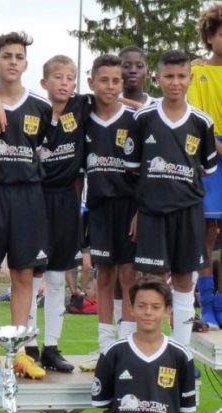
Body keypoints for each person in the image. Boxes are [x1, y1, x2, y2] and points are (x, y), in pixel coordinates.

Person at [125, 50, 217, 348]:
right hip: (152, 214)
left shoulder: (202, 122)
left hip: (188, 213)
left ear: (190, 78)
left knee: (184, 281)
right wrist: (141, 208)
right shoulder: (143, 118)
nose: (175, 82)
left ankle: (181, 352)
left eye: (181, 76)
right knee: (150, 283)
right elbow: (134, 169)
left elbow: (207, 169)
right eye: (169, 76)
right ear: (158, 78)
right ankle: (147, 350)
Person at [0, 32, 52, 380]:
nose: (12, 62)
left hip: (28, 197)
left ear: (26, 63)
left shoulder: (41, 108)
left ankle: (19, 352)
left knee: (23, 275)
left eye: (19, 57)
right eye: (6, 56)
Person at [92, 276, 196, 413]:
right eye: (141, 306)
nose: (148, 312)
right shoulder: (114, 352)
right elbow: (103, 401)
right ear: (131, 308)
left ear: (167, 311)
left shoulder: (181, 356)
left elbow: (182, 406)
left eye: (156, 307)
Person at [27, 54, 94, 373]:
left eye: (70, 78)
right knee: (30, 276)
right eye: (58, 77)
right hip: (35, 200)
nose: (65, 83)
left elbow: (115, 98)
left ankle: (51, 347)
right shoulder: (33, 112)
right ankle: (28, 345)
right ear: (44, 82)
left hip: (67, 202)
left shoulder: (81, 107)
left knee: (56, 278)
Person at [79, 54, 138, 372]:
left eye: (116, 81)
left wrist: (141, 211)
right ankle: (105, 347)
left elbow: (144, 172)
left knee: (128, 276)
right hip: (99, 208)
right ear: (91, 82)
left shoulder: (134, 119)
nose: (111, 86)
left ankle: (126, 346)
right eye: (104, 80)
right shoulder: (83, 117)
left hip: (129, 207)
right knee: (104, 276)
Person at [187, 3, 222, 329]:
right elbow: (197, 121)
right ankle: (208, 305)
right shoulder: (197, 72)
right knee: (207, 234)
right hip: (211, 156)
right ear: (209, 36)